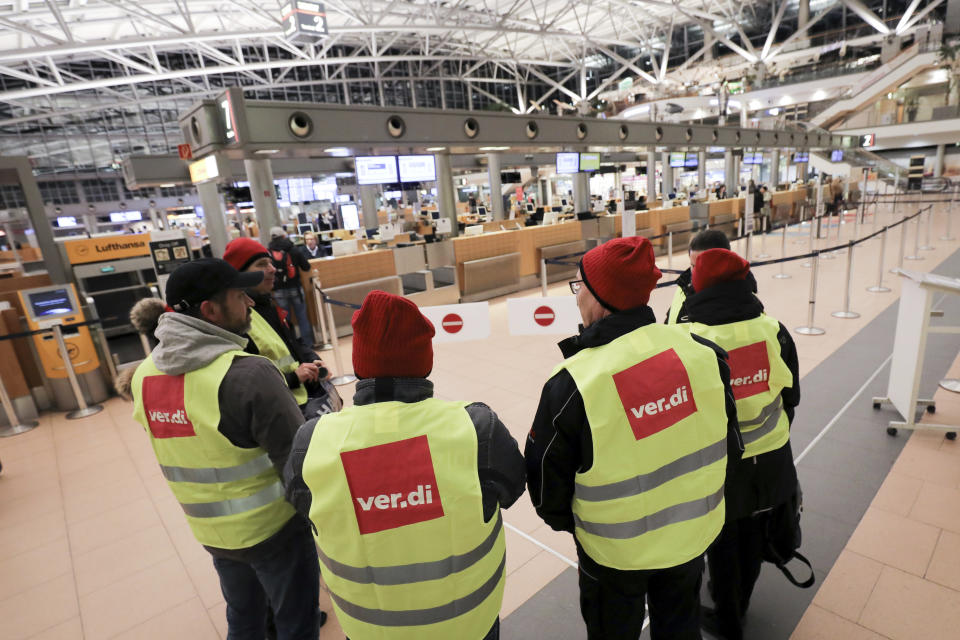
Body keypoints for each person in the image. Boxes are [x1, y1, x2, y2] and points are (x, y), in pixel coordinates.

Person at [525, 237, 741, 640]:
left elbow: (545, 489)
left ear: (601, 297)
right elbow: (729, 436)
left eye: (578, 287)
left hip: (614, 555)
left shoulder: (574, 384)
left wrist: (577, 526)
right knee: (679, 629)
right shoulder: (702, 352)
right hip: (692, 537)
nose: (576, 299)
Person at [285, 290, 526, 640]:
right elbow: (512, 487)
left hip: (371, 629)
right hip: (467, 624)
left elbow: (302, 505)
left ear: (360, 364)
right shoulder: (474, 428)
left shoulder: (313, 441)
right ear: (424, 361)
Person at [129, 258, 325, 640]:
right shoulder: (249, 374)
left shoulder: (145, 374)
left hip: (211, 530)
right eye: (240, 296)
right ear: (210, 310)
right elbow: (299, 463)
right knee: (296, 624)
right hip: (274, 529)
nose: (251, 304)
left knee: (244, 617)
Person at [676, 249, 800, 640]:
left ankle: (727, 618)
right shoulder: (773, 329)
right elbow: (791, 398)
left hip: (720, 464)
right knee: (752, 536)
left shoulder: (690, 338)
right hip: (771, 458)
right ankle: (740, 606)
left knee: (722, 542)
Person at [223, 238, 341, 420]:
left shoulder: (268, 304)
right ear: (241, 274)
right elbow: (247, 384)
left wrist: (312, 359)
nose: (272, 269)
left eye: (270, 262)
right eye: (262, 265)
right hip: (283, 412)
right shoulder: (237, 322)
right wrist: (294, 377)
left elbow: (292, 344)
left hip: (304, 400)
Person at [665, 229, 758, 325]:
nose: (695, 273)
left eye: (702, 267)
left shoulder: (745, 303)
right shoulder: (683, 287)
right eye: (693, 266)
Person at [267, 226, 315, 346]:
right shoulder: (293, 249)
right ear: (284, 235)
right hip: (296, 289)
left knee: (285, 320)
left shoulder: (268, 252)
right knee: (302, 317)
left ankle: (292, 345)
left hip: (278, 291)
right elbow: (306, 267)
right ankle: (308, 344)